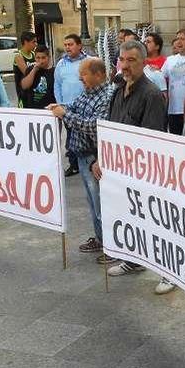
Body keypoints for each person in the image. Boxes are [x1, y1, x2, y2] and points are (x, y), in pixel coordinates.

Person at [103, 41, 171, 294]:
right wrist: (103, 159)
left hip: (145, 173)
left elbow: (151, 140)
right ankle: (132, 260)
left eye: (131, 60)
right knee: (130, 219)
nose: (126, 65)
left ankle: (169, 273)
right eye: (122, 59)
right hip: (121, 171)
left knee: (155, 223)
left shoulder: (151, 94)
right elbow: (110, 129)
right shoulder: (118, 90)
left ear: (144, 62)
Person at [48, 58, 113, 260]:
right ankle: (101, 239)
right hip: (83, 157)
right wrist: (59, 107)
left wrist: (64, 115)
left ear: (99, 75)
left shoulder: (107, 96)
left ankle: (110, 247)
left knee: (101, 204)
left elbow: (94, 126)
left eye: (84, 74)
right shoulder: (88, 93)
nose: (80, 78)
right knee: (93, 204)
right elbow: (74, 107)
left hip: (95, 157)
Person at [54, 34, 89, 177]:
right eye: (66, 45)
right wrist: (60, 103)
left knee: (86, 135)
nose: (67, 47)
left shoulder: (88, 62)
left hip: (85, 107)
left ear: (80, 46)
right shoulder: (61, 64)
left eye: (71, 44)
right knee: (70, 137)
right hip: (67, 108)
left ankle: (88, 163)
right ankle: (74, 165)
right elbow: (57, 85)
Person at [162, 29, 185, 135]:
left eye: (182, 39)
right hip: (173, 109)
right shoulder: (170, 60)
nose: (178, 42)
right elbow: (160, 77)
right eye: (177, 39)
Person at [16, 45, 56, 109]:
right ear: (35, 58)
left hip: (48, 108)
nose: (41, 61)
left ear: (49, 57)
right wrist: (34, 70)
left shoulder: (54, 72)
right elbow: (24, 86)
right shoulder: (30, 69)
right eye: (38, 58)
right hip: (32, 109)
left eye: (43, 58)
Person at [142, 32, 168, 100]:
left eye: (148, 42)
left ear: (157, 46)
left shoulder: (166, 61)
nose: (145, 44)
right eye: (145, 42)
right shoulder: (141, 62)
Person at [13, 31, 38, 97]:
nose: (36, 44)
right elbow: (26, 72)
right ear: (26, 42)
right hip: (23, 93)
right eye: (33, 42)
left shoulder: (33, 54)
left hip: (33, 90)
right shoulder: (19, 56)